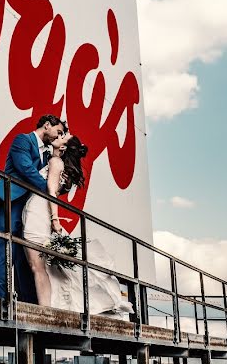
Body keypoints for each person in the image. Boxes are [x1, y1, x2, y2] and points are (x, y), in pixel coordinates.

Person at [22, 134, 134, 317]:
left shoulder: (56, 161)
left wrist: (55, 220)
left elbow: (51, 192)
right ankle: (46, 310)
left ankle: (45, 312)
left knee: (37, 266)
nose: (59, 135)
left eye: (63, 136)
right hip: (41, 211)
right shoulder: (60, 164)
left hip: (38, 211)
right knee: (41, 267)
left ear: (64, 148)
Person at [0, 114, 67, 303]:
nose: (58, 137)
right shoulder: (22, 140)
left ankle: (27, 302)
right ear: (47, 125)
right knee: (6, 249)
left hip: (27, 209)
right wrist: (48, 190)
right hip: (9, 200)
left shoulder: (48, 154)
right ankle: (2, 300)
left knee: (25, 257)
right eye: (58, 132)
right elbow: (26, 170)